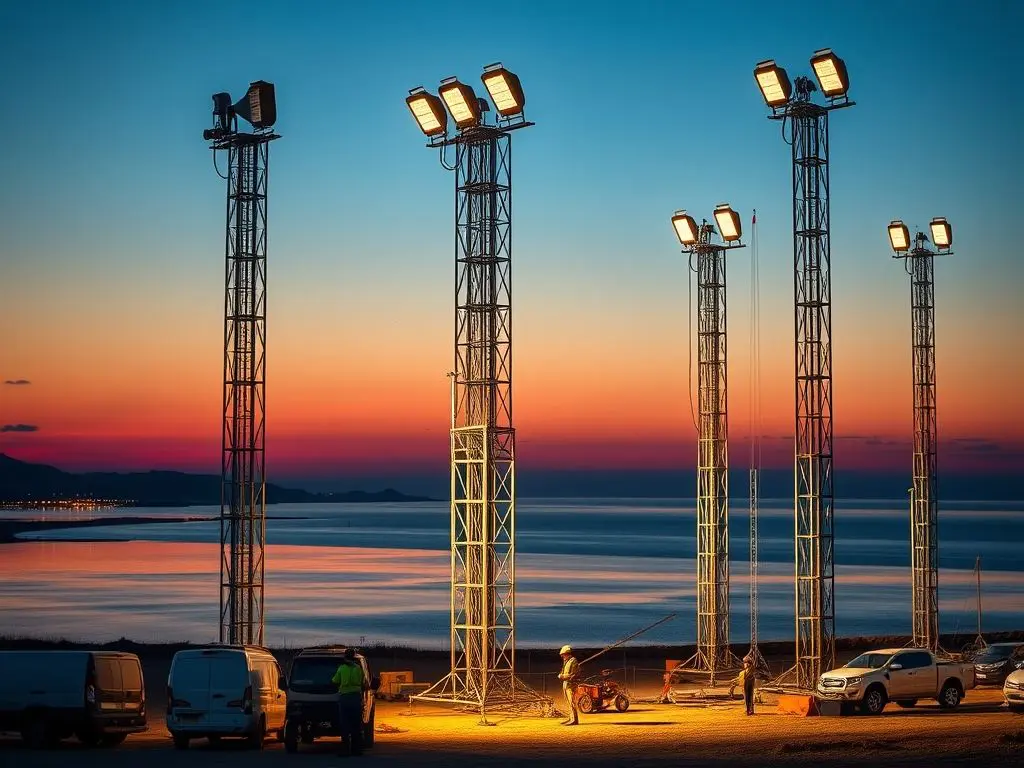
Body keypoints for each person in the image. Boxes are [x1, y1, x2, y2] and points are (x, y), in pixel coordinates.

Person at [331, 648, 366, 755]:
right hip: (356, 698)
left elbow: (334, 681)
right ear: (354, 657)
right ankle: (357, 750)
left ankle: (345, 750)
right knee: (356, 725)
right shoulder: (358, 668)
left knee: (345, 724)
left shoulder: (342, 668)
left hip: (345, 698)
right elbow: (363, 681)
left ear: (345, 657)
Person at [557, 645, 580, 726]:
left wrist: (562, 676)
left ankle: (574, 720)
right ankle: (571, 718)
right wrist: (561, 675)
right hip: (566, 684)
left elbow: (574, 674)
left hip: (571, 684)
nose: (562, 656)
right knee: (568, 702)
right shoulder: (566, 661)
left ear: (567, 653)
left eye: (563, 654)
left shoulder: (573, 661)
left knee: (572, 702)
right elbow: (563, 671)